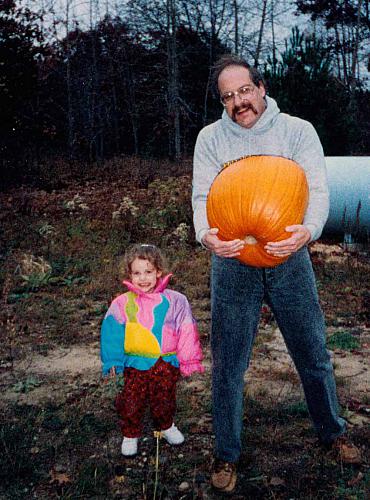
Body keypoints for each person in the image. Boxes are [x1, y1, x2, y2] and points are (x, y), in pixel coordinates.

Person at [192, 54, 361, 493]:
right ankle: (226, 453)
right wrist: (207, 237)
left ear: (261, 87)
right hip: (231, 263)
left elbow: (317, 190)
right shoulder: (210, 139)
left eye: (244, 91)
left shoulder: (297, 131)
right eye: (228, 96)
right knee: (228, 364)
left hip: (290, 259)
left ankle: (333, 432)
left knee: (313, 351)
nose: (238, 102)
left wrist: (307, 231)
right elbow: (201, 198)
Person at [100, 243, 204, 457]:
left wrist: (188, 359)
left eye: (148, 272)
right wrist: (112, 361)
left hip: (165, 362)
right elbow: (112, 333)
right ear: (129, 274)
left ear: (159, 272)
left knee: (164, 398)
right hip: (135, 364)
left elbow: (186, 329)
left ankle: (165, 426)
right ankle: (130, 433)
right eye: (137, 273)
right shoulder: (122, 303)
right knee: (131, 399)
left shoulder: (176, 300)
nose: (143, 278)